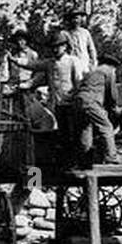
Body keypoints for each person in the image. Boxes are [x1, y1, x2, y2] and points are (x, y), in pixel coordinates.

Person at [26, 31, 87, 164]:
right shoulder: (50, 63)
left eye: (58, 46)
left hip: (70, 104)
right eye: (53, 47)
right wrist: (15, 61)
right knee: (59, 132)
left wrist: (76, 99)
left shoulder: (73, 61)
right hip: (56, 104)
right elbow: (33, 64)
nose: (55, 49)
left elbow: (78, 82)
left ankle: (73, 161)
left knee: (71, 133)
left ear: (65, 46)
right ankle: (60, 160)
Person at [75, 60, 121, 165]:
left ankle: (85, 158)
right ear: (113, 66)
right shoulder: (109, 71)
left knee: (85, 128)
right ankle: (111, 157)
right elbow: (112, 93)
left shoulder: (92, 71)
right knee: (106, 127)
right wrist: (114, 107)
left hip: (78, 100)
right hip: (91, 101)